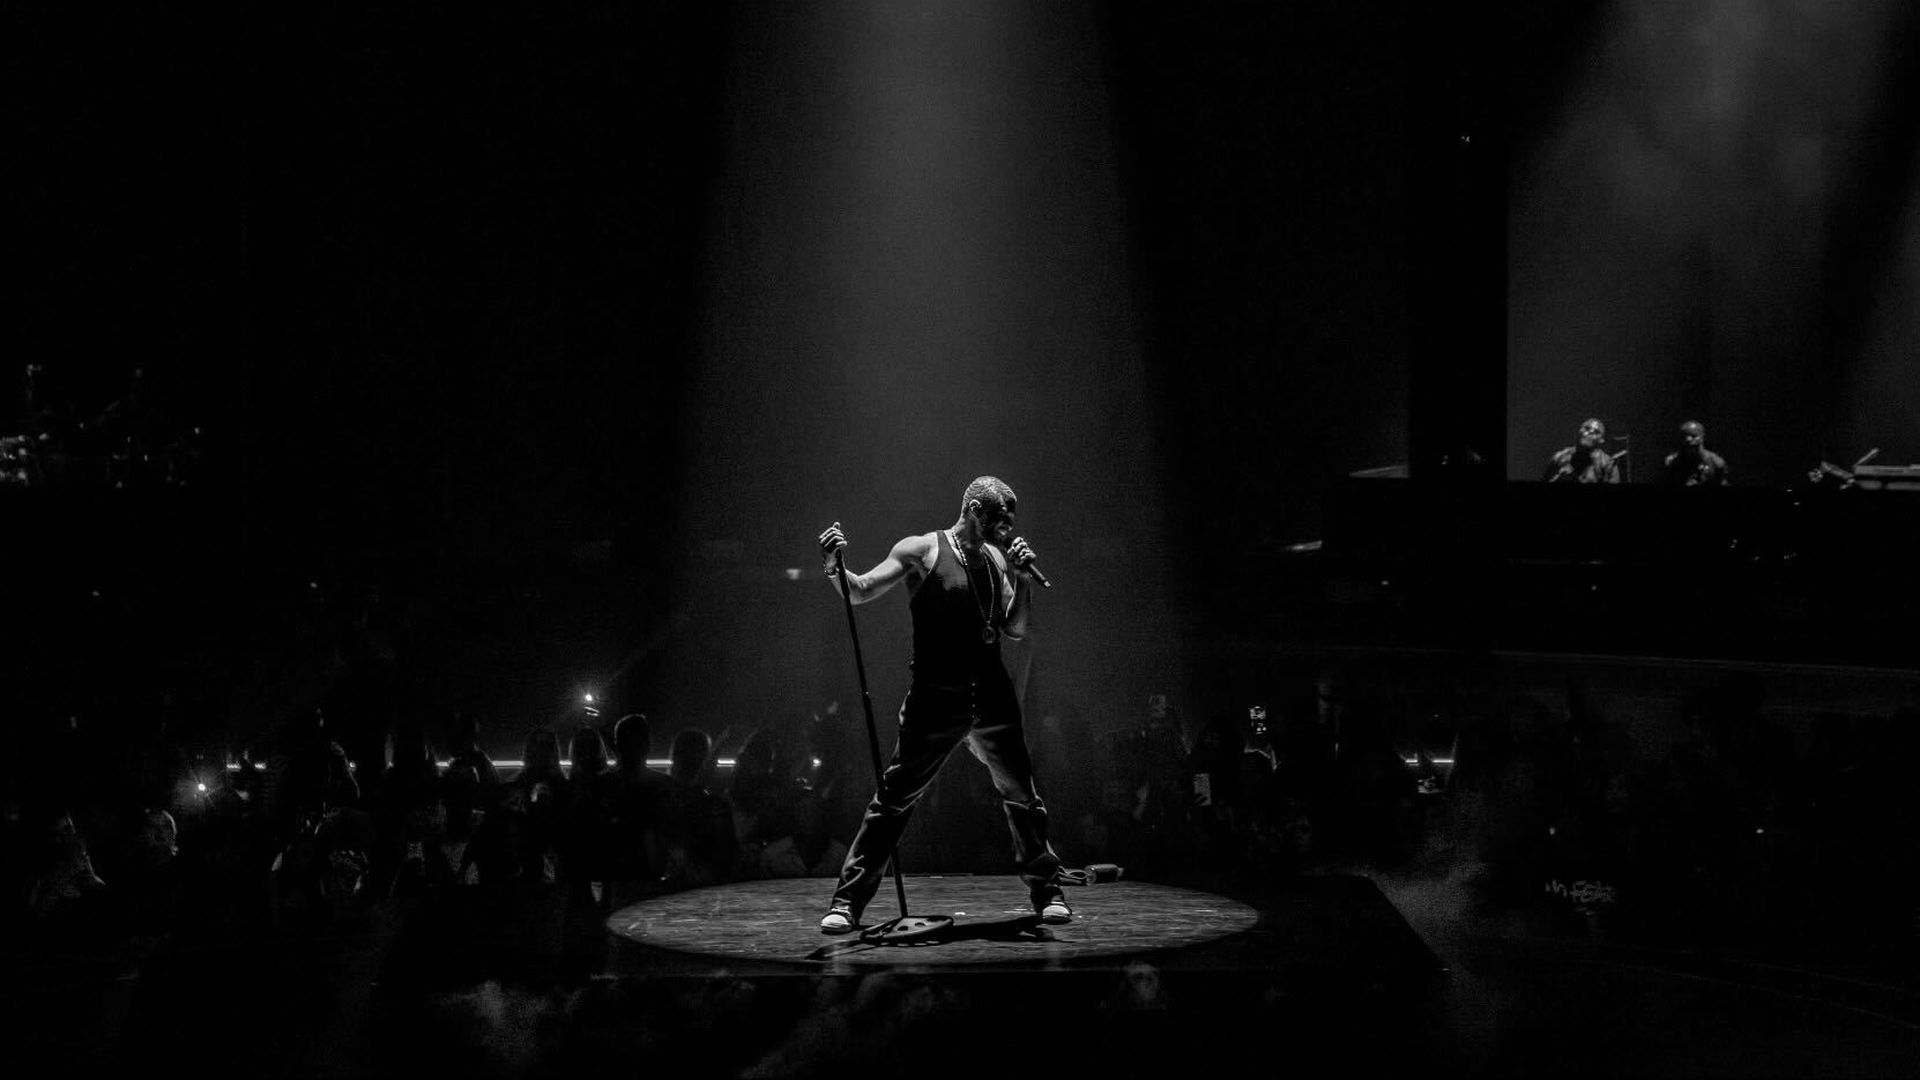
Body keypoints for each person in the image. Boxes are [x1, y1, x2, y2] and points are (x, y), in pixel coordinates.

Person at [815, 475, 1066, 933]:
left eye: (1011, 518)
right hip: (936, 695)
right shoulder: (922, 550)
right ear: (974, 509)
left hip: (991, 694)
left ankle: (1048, 892)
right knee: (893, 799)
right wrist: (835, 567)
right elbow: (862, 589)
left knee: (1022, 796)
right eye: (1000, 517)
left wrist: (1024, 578)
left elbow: (1015, 628)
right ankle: (847, 903)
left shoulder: (996, 559)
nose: (1007, 527)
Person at [1543, 418, 1621, 484]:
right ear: (1579, 430)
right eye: (1587, 428)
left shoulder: (1608, 464)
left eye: (1596, 432)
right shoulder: (1559, 457)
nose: (1590, 432)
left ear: (1601, 440)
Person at [1659, 420, 1729, 487]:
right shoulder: (1671, 463)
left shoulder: (1716, 463)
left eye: (1693, 436)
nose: (1688, 440)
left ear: (1702, 437)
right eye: (1684, 436)